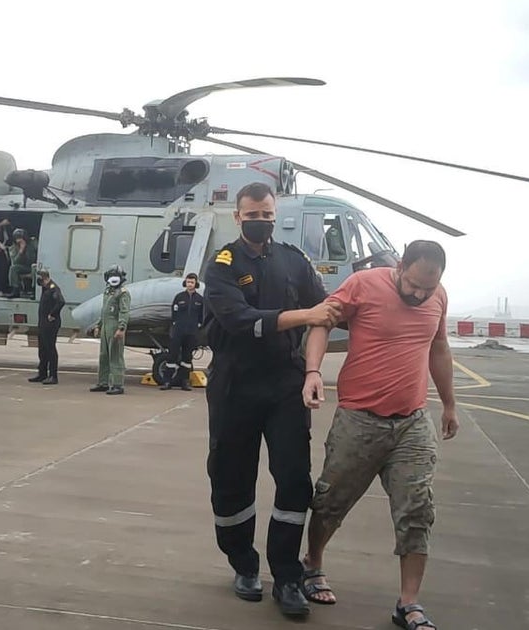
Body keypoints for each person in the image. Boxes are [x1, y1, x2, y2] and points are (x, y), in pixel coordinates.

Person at [299, 240, 458, 630]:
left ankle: (409, 603)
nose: (421, 295)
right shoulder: (363, 284)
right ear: (401, 266)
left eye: (429, 288)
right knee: (331, 500)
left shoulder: (438, 297)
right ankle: (313, 564)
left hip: (412, 423)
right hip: (359, 419)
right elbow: (321, 322)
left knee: (417, 509)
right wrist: (313, 371)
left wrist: (450, 405)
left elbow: (439, 348)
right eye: (416, 285)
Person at [202, 181, 341, 618]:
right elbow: (241, 320)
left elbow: (326, 314)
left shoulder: (295, 262)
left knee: (295, 478)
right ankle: (243, 563)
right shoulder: (222, 264)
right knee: (231, 477)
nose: (260, 221)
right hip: (234, 383)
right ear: (237, 216)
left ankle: (286, 576)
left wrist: (314, 369)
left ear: (274, 214)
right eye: (252, 215)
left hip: (285, 383)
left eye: (267, 214)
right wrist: (307, 316)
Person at [89, 264, 130, 395]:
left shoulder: (123, 293)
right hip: (106, 326)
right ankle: (103, 382)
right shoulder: (108, 291)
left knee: (115, 356)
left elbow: (124, 311)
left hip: (115, 326)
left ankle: (118, 384)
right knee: (104, 356)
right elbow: (104, 311)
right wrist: (98, 325)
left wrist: (121, 328)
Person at [161, 272, 203, 391]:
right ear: (185, 283)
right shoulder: (179, 297)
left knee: (187, 358)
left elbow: (202, 315)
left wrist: (198, 326)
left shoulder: (200, 299)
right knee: (172, 356)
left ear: (196, 284)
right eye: (188, 282)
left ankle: (184, 382)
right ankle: (167, 381)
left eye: (192, 282)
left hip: (191, 332)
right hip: (178, 331)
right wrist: (175, 325)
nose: (190, 284)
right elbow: (174, 313)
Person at [30, 268, 65, 385]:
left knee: (50, 349)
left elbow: (61, 302)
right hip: (43, 323)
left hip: (50, 324)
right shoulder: (45, 288)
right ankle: (42, 373)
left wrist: (52, 314)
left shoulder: (53, 288)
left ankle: (53, 376)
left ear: (44, 278)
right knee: (42, 349)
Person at [7, 228, 37, 298]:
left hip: (34, 266)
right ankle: (15, 290)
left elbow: (32, 259)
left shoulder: (32, 243)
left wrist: (27, 247)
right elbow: (15, 262)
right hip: (24, 267)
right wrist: (21, 250)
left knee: (34, 267)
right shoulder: (14, 248)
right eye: (17, 238)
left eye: (20, 238)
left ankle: (33, 291)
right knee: (13, 268)